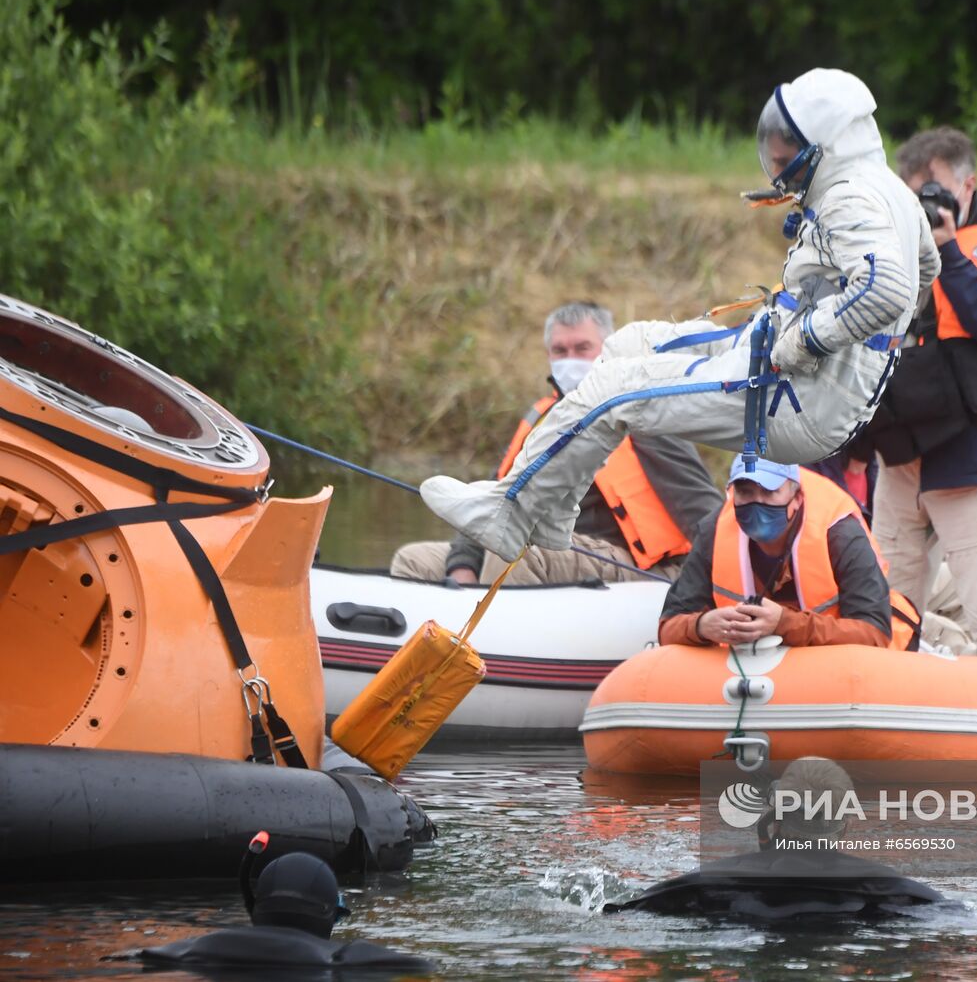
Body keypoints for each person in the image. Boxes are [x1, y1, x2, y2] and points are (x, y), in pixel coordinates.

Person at [419, 69, 938, 567]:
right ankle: (554, 506)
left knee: (616, 390)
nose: (777, 159)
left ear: (827, 144)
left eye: (787, 145)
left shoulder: (849, 197)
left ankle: (508, 514)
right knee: (625, 347)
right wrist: (861, 347)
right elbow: (925, 270)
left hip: (797, 393)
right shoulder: (891, 192)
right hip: (793, 365)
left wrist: (807, 340)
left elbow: (886, 288)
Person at [858, 127, 977, 653]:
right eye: (910, 195)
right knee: (882, 619)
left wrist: (948, 252)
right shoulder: (889, 246)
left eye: (931, 194)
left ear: (966, 188)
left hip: (974, 452)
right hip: (900, 455)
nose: (920, 208)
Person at [391, 301, 722, 585]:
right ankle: (435, 647)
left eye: (582, 348)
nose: (570, 359)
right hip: (554, 557)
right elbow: (492, 501)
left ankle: (493, 648)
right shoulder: (542, 418)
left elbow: (704, 512)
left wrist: (711, 584)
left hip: (637, 567)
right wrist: (462, 566)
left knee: (516, 552)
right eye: (560, 351)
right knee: (414, 559)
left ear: (609, 348)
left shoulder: (640, 417)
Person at [606, 757, 953, 920]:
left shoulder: (693, 889)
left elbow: (617, 913)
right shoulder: (904, 894)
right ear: (845, 824)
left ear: (772, 819)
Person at [657, 456, 920, 651]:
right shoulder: (714, 531)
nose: (757, 502)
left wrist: (783, 623)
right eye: (745, 492)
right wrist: (702, 626)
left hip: (842, 663)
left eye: (769, 491)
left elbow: (874, 633)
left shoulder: (839, 533)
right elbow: (669, 626)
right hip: (754, 673)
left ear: (796, 498)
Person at [134, 850, 435, 973]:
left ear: (256, 907)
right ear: (329, 913)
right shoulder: (346, 957)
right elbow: (424, 969)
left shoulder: (184, 949)